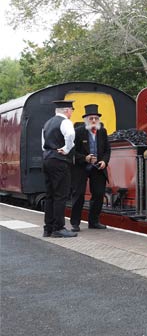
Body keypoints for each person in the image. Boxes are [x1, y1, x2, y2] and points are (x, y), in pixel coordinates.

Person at [70, 104, 111, 231]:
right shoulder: (78, 132)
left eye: (96, 118)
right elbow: (72, 152)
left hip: (97, 167)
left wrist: (104, 161)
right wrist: (85, 158)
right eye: (91, 118)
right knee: (79, 194)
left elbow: (107, 150)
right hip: (81, 167)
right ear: (86, 120)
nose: (93, 120)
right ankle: (75, 223)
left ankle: (94, 222)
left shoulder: (102, 131)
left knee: (98, 194)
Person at [42, 100, 78, 238]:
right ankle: (58, 228)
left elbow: (43, 143)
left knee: (50, 195)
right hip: (59, 161)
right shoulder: (66, 122)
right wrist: (66, 149)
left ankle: (48, 229)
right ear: (67, 110)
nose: (71, 113)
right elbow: (70, 135)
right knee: (60, 195)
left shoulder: (47, 123)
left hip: (47, 159)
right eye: (72, 110)